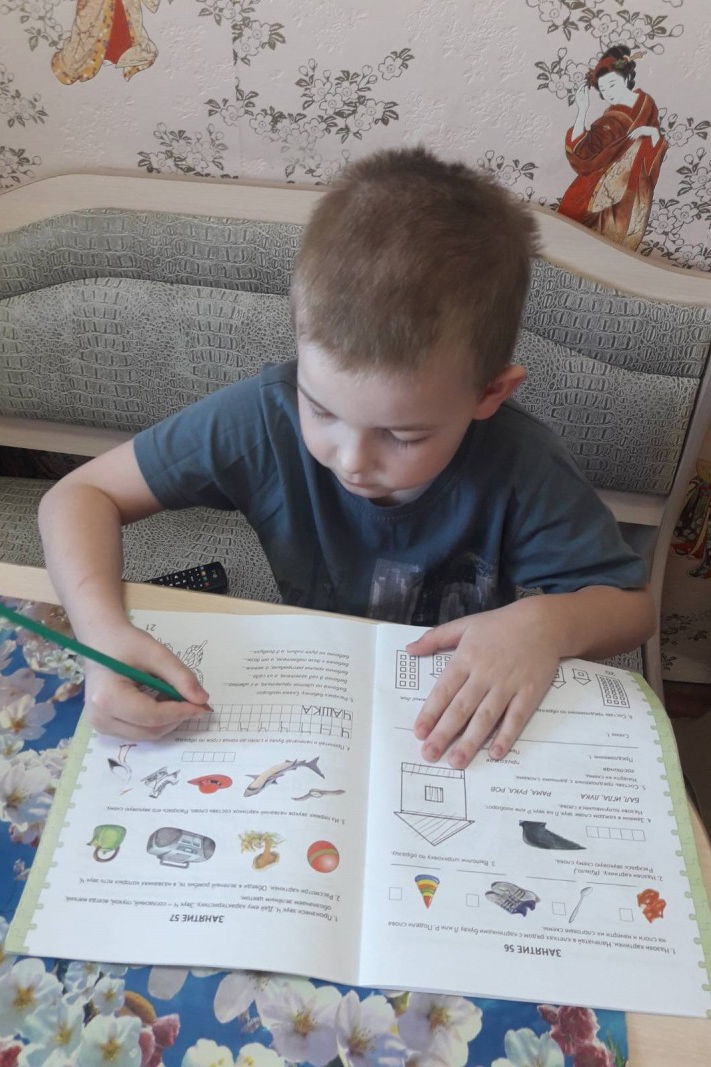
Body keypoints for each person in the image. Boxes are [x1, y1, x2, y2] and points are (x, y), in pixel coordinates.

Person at [39, 146, 655, 769]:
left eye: (403, 436)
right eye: (322, 410)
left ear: (489, 394)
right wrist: (103, 637)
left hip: (450, 708)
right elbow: (78, 496)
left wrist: (546, 624)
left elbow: (631, 609)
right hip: (317, 690)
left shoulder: (523, 464)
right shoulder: (264, 416)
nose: (353, 460)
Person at [558, 45, 666, 250]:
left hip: (631, 190)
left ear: (626, 78)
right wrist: (582, 111)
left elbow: (655, 146)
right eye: (604, 90)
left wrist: (651, 134)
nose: (609, 93)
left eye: (612, 84)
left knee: (614, 247)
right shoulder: (609, 120)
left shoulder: (646, 104)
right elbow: (584, 153)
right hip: (597, 188)